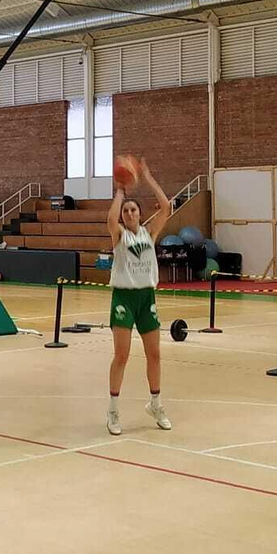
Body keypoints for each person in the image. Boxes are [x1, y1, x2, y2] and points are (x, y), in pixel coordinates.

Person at [105, 156, 172, 436]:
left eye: (133, 210)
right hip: (124, 298)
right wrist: (121, 189)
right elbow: (110, 217)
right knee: (122, 355)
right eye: (126, 211)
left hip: (147, 298)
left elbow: (166, 207)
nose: (130, 213)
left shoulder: (149, 233)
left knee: (154, 354)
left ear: (140, 215)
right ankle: (113, 411)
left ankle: (155, 404)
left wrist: (146, 177)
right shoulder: (119, 236)